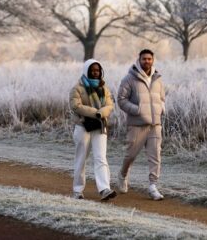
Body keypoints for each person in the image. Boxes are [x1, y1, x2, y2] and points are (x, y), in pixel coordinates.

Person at [116, 49, 166, 201]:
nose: (147, 61)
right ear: (139, 60)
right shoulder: (129, 79)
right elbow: (121, 100)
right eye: (144, 59)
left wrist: (161, 109)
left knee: (155, 156)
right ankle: (123, 175)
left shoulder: (158, 79)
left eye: (149, 59)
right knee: (131, 155)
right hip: (137, 124)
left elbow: (162, 98)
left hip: (155, 125)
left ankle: (153, 186)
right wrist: (137, 110)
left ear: (153, 60)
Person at [69, 59, 117, 201]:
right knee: (81, 159)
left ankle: (104, 189)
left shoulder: (104, 88)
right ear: (87, 71)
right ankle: (77, 191)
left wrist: (100, 114)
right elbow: (75, 106)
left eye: (97, 70)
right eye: (92, 70)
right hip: (83, 127)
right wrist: (95, 113)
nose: (95, 73)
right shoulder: (77, 88)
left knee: (101, 158)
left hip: (99, 126)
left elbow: (110, 105)